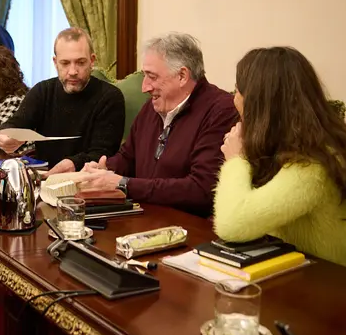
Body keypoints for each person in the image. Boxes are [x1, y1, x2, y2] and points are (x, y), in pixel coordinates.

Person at [213, 47, 346, 271]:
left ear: (262, 103)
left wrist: (235, 161)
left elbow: (232, 225)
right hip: (285, 275)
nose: (234, 100)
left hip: (328, 290)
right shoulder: (285, 145)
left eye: (238, 91)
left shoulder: (316, 163)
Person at [78, 32, 238, 217]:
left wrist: (123, 184)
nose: (144, 87)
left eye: (152, 77)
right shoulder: (152, 107)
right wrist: (103, 170)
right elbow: (128, 157)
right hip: (142, 218)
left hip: (188, 228)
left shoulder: (220, 111)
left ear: (182, 76)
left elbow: (201, 189)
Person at [0, 27, 125, 175]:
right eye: (65, 63)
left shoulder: (110, 97)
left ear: (92, 61)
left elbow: (103, 154)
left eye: (80, 62)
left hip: (86, 181)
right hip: (43, 178)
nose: (72, 71)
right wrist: (6, 136)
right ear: (55, 62)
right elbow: (16, 123)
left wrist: (73, 164)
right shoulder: (43, 91)